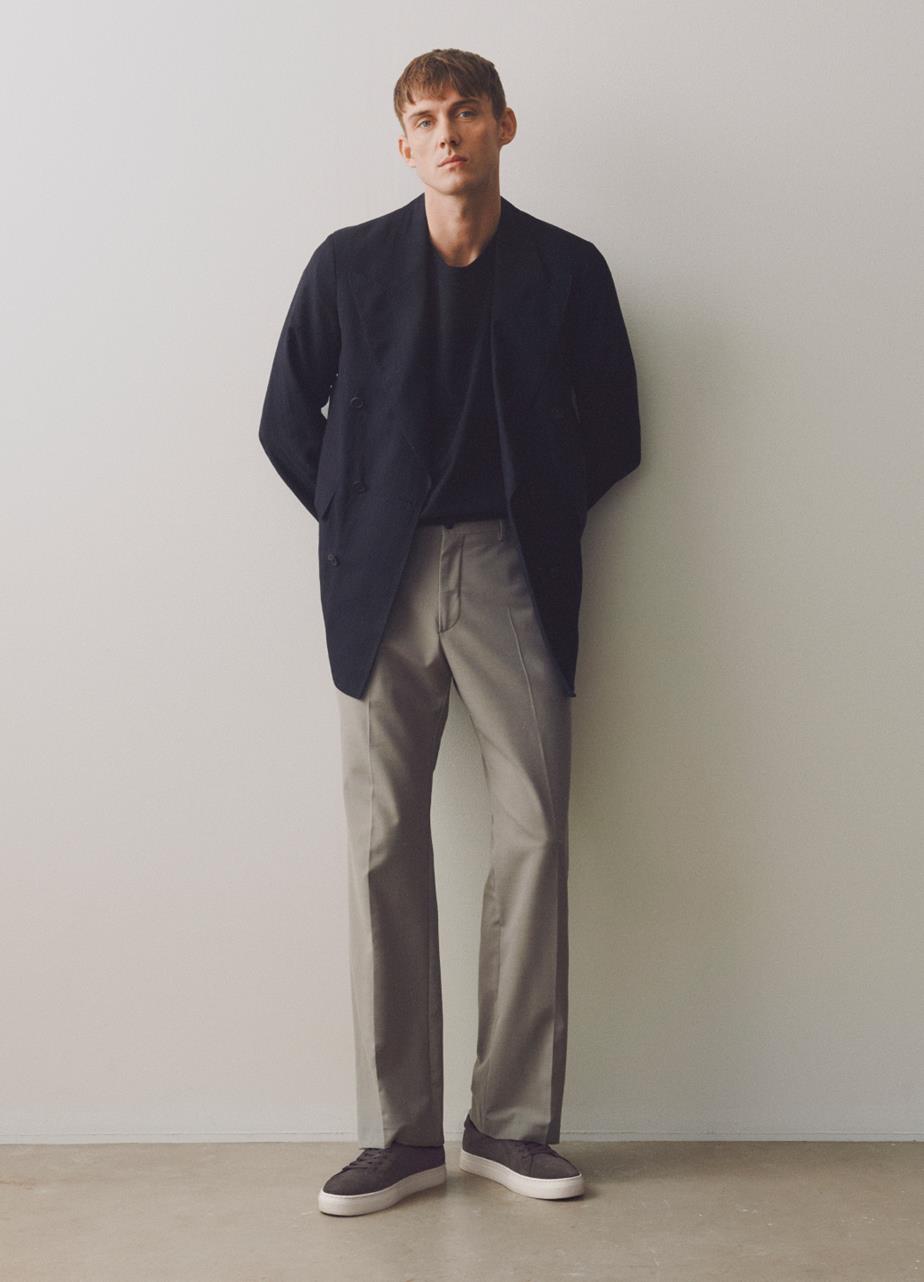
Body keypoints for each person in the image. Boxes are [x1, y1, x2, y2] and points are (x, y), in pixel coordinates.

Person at [258, 48, 641, 1217]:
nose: (447, 133)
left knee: (535, 832)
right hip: (380, 579)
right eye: (425, 118)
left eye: (466, 112)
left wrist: (536, 511)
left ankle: (510, 1123)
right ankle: (399, 1136)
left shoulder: (567, 267)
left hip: (513, 569)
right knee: (384, 843)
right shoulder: (348, 265)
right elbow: (286, 419)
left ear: (503, 126)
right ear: (403, 142)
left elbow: (615, 425)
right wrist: (361, 518)